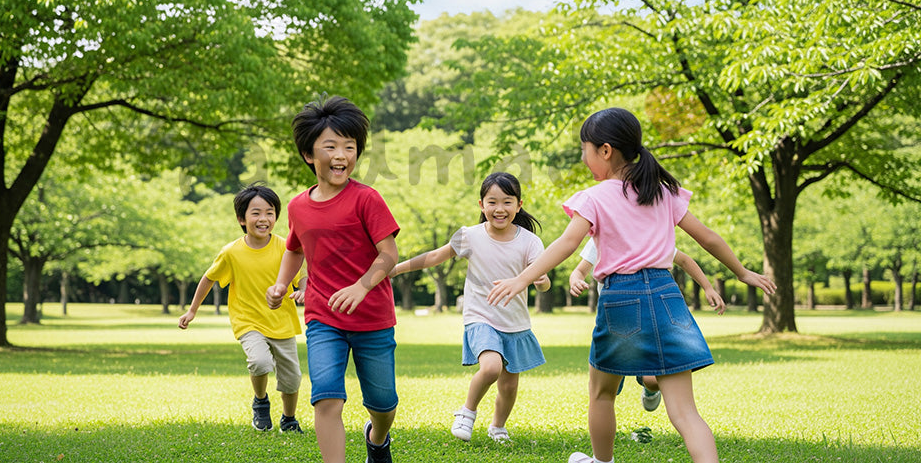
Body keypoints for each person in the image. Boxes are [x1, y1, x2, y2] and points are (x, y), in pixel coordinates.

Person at [487, 107, 776, 463]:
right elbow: (709, 238)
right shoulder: (662, 191)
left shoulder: (593, 197)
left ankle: (602, 462)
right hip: (667, 294)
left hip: (622, 298)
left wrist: (521, 278)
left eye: (585, 149)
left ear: (605, 150)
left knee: (602, 394)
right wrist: (742, 272)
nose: (584, 157)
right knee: (685, 412)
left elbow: (566, 245)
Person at [266, 96, 400, 463]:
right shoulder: (297, 207)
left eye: (349, 146)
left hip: (372, 317)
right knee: (326, 396)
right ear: (310, 155)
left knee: (383, 402)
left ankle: (378, 438)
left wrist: (362, 286)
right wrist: (282, 284)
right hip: (323, 317)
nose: (342, 154)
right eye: (331, 146)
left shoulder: (367, 200)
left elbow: (389, 254)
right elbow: (295, 249)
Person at [392, 172, 550, 444]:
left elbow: (543, 285)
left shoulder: (530, 242)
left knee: (509, 385)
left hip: (515, 322)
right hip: (481, 317)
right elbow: (434, 257)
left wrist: (543, 281)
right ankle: (467, 412)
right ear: (481, 205)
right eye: (492, 202)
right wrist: (395, 269)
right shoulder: (470, 236)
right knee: (491, 367)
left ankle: (498, 427)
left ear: (519, 205)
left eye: (507, 202)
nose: (499, 209)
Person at [178, 183, 306, 434]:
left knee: (292, 378)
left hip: (282, 322)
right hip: (248, 322)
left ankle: (288, 419)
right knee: (259, 362)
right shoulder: (231, 252)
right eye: (255, 213)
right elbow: (209, 278)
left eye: (270, 212)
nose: (264, 219)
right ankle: (260, 401)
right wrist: (192, 310)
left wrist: (303, 288)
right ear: (241, 218)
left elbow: (302, 273)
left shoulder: (286, 248)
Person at [570, 239, 726, 413]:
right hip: (617, 317)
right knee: (605, 386)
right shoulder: (600, 236)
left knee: (652, 381)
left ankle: (650, 389)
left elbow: (683, 260)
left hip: (651, 312)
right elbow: (580, 269)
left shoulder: (649, 232)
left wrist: (708, 288)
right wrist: (575, 280)